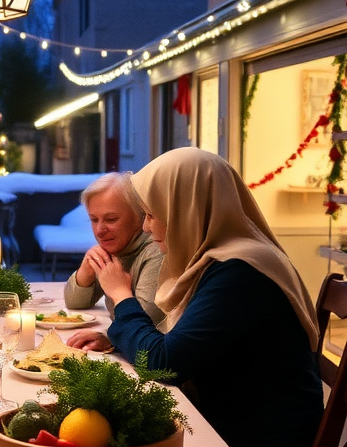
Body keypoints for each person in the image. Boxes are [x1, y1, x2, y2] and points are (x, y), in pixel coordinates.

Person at [70, 148, 323, 447]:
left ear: (187, 211)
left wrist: (122, 297)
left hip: (252, 435)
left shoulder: (240, 272)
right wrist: (117, 337)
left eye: (152, 214)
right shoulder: (220, 259)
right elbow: (183, 342)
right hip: (224, 416)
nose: (148, 227)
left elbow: (163, 363)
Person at [62, 172, 164, 326]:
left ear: (139, 217)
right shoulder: (116, 246)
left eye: (111, 219)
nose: (100, 230)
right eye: (94, 220)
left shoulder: (156, 250)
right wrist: (85, 273)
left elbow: (144, 323)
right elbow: (74, 303)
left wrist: (118, 290)